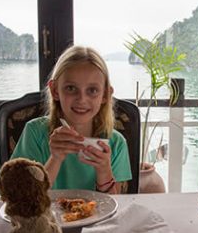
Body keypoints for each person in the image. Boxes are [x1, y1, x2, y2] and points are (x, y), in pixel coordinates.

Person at [11, 45, 131, 194]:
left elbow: (114, 204)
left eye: (92, 90)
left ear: (105, 95)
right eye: (70, 88)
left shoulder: (116, 143)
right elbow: (23, 197)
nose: (82, 99)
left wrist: (104, 170)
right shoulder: (34, 133)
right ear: (55, 90)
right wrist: (55, 158)